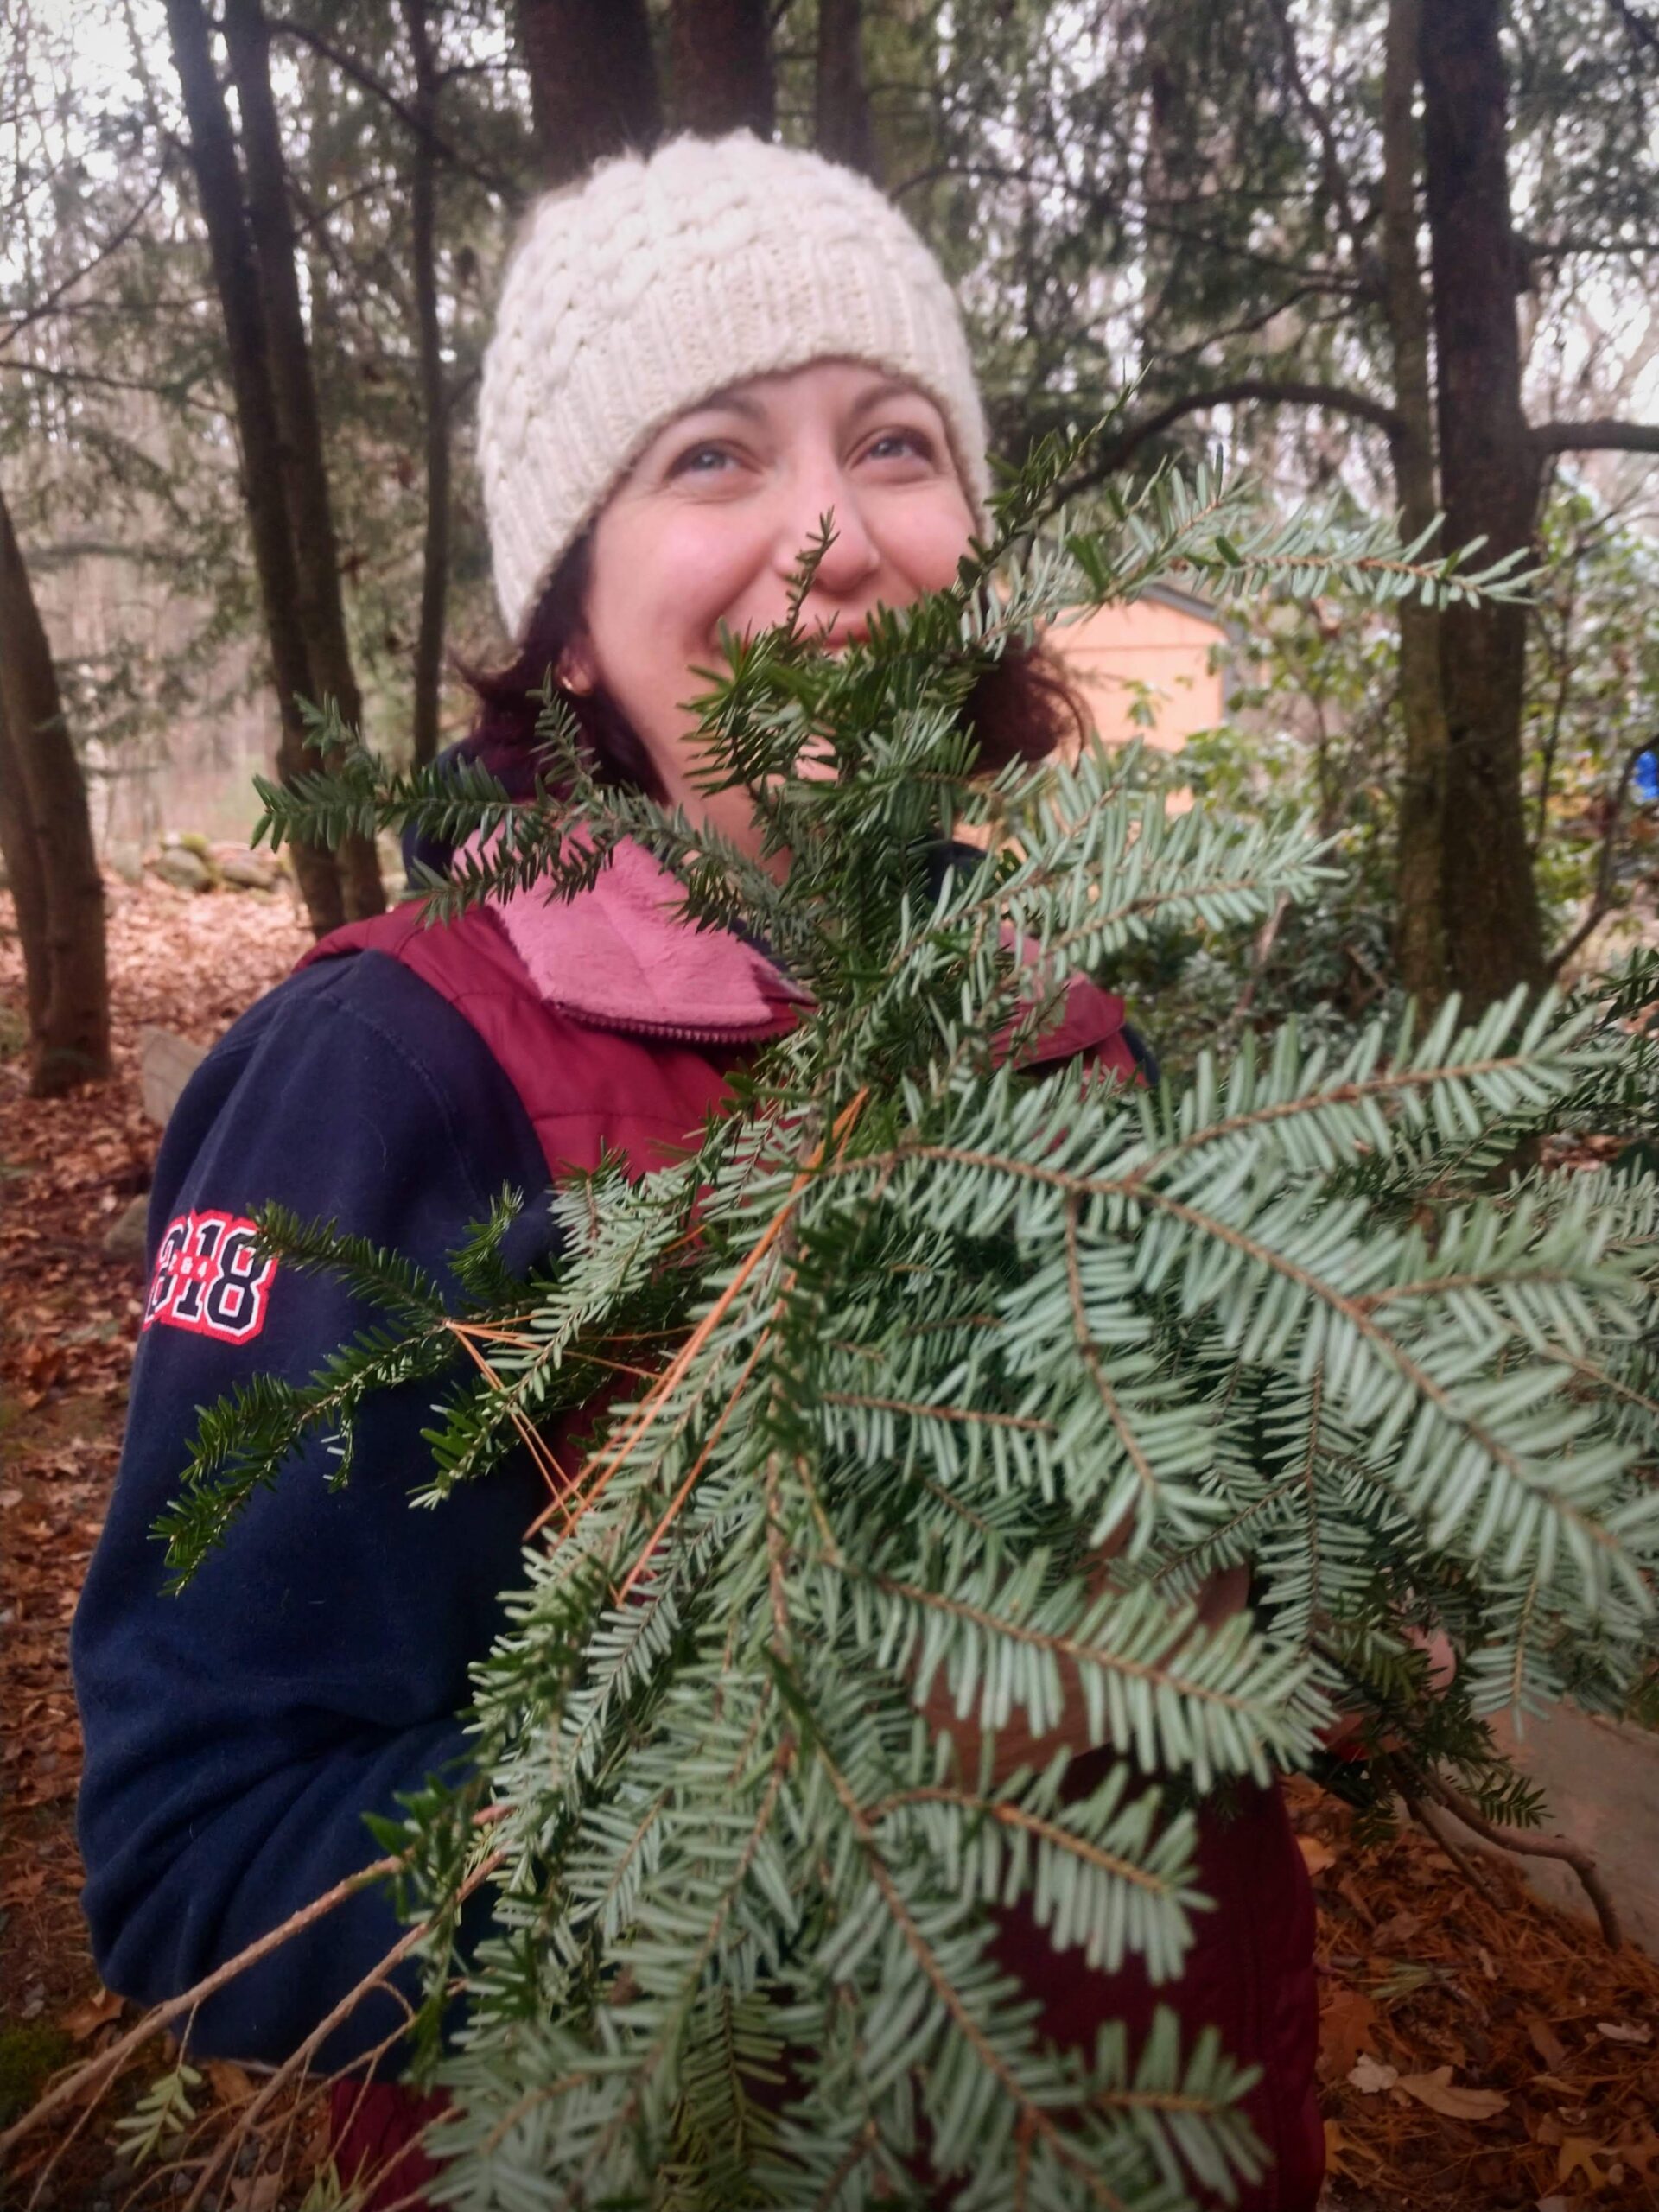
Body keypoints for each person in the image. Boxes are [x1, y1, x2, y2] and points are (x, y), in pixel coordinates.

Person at [73, 133, 1321, 2209]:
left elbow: (1218, 1600)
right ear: (567, 626)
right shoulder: (390, 1072)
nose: (832, 531)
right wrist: (818, 1779)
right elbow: (206, 1849)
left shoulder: (1059, 1009)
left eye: (897, 443)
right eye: (716, 457)